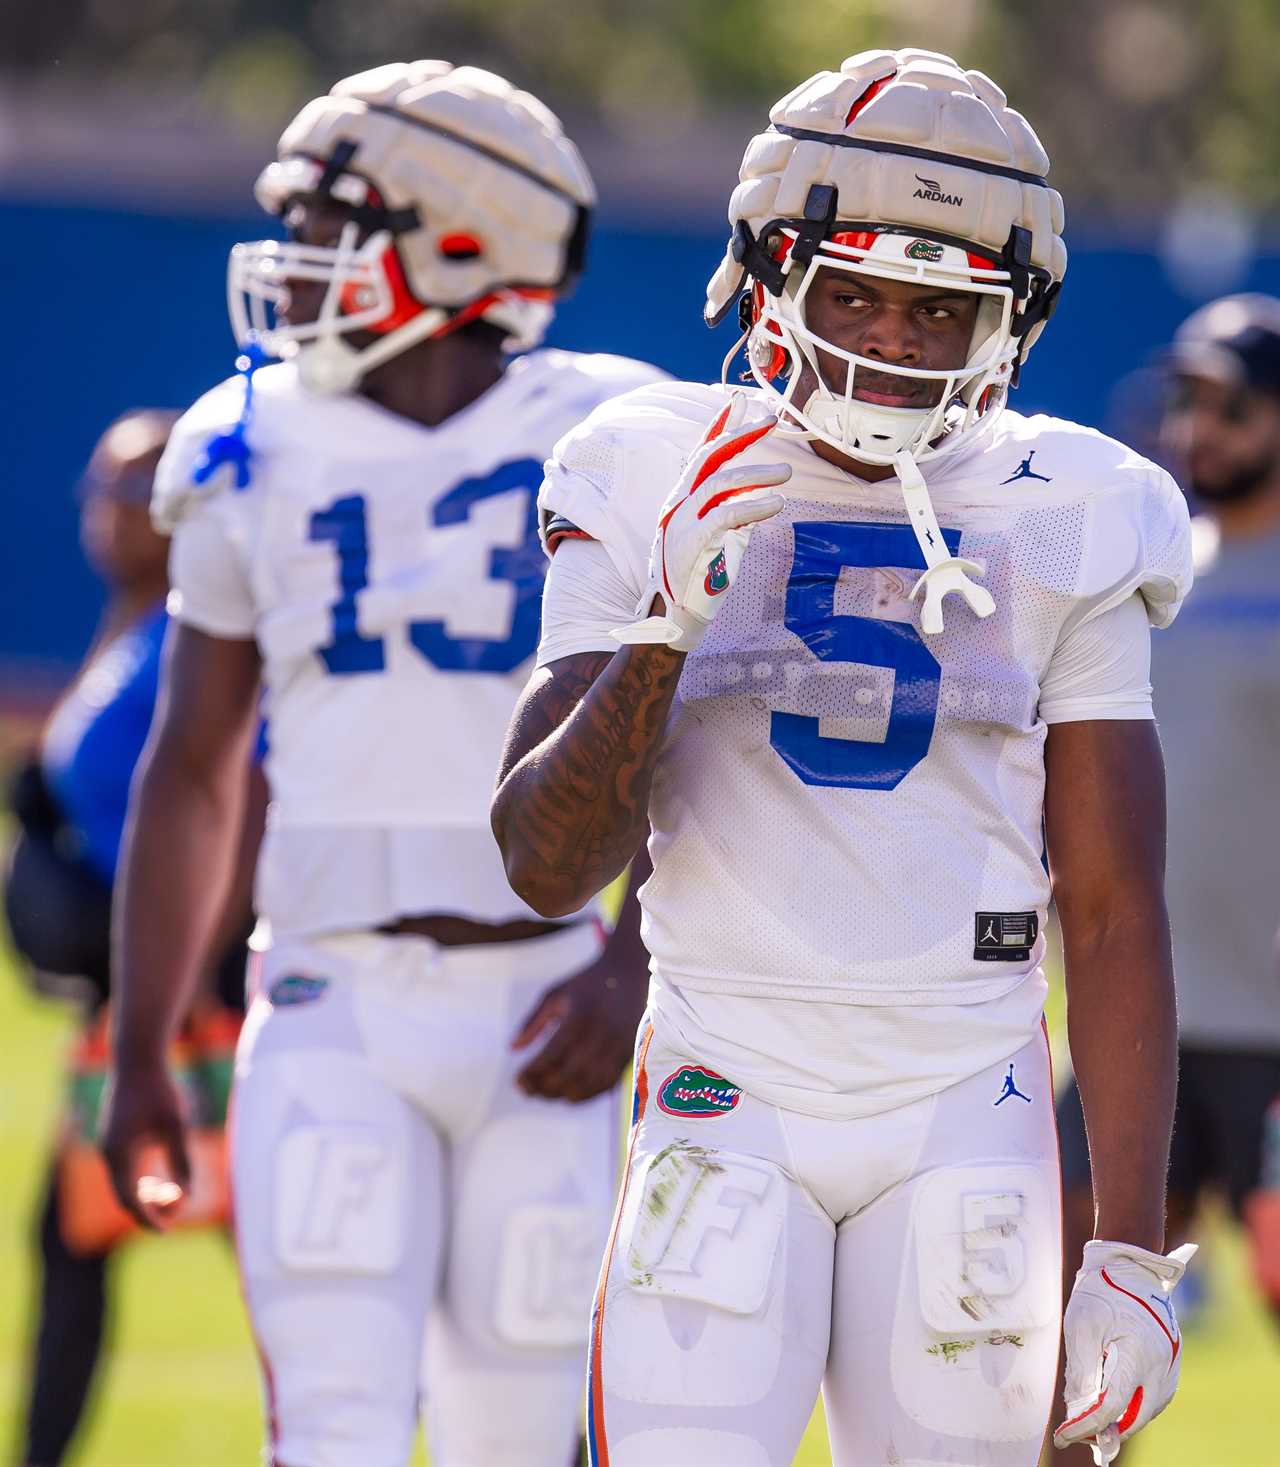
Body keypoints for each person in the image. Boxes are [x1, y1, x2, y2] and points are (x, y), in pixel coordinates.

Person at [492, 48, 1198, 1467]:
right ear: (768, 280)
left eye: (941, 309)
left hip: (968, 1094)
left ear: (1011, 326)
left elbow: (1114, 905)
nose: (890, 340)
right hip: (722, 1075)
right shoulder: (648, 461)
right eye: (855, 291)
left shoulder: (1074, 505)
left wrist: (1126, 1242)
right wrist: (665, 627)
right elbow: (543, 864)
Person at [98, 61, 663, 1467]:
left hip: (547, 994)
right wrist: (144, 1027)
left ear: (461, 238)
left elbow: (684, 729)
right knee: (333, 1427)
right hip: (328, 989)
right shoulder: (247, 440)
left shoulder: (611, 432)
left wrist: (637, 957)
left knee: (521, 1432)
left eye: (330, 223)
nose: (292, 264)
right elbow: (193, 763)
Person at [4, 411, 258, 1467]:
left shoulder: (197, 638)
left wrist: (189, 985)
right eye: (100, 489)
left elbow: (237, 800)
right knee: (77, 1246)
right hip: (143, 1000)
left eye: (133, 489)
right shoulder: (133, 628)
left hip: (195, 1003)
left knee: (310, 1266)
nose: (106, 513)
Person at [1054, 292, 1280, 1463]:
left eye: (1227, 403)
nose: (1198, 427)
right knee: (1065, 1345)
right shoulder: (1152, 575)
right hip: (1137, 1020)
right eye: (1184, 398)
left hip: (1272, 1028)